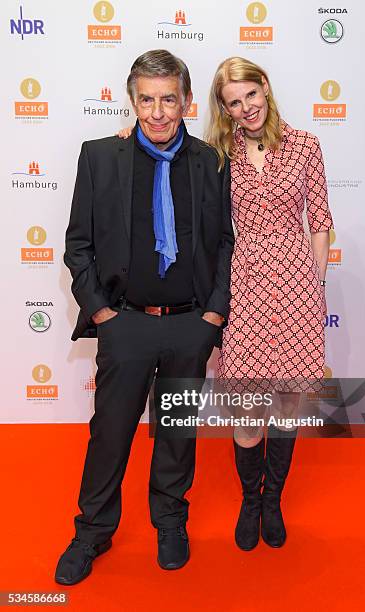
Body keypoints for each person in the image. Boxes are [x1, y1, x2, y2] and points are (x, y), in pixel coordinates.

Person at [55, 49, 234, 585]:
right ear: (132, 100)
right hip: (126, 322)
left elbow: (225, 243)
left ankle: (170, 522)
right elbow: (78, 245)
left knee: (176, 431)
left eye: (168, 100)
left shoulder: (210, 161)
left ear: (185, 101)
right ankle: (91, 532)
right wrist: (104, 314)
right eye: (147, 100)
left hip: (188, 325)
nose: (157, 112)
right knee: (110, 433)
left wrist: (212, 315)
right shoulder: (100, 157)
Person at [205, 57, 333, 551]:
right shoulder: (220, 154)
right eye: (233, 102)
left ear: (265, 88)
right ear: (225, 108)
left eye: (250, 95)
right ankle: (249, 501)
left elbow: (320, 220)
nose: (246, 108)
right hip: (246, 288)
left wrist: (314, 287)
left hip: (297, 286)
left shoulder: (305, 145)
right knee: (245, 407)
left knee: (285, 404)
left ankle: (273, 499)